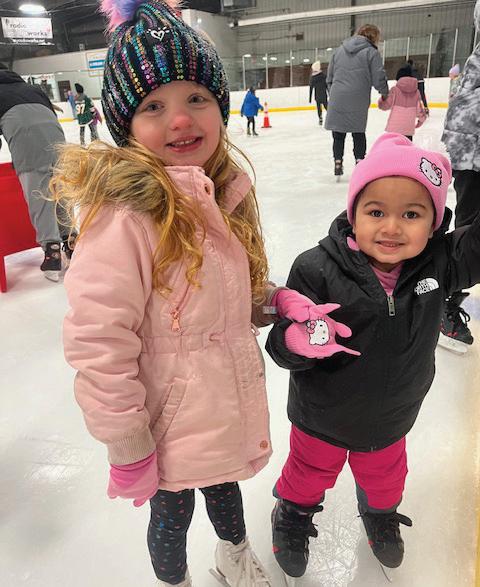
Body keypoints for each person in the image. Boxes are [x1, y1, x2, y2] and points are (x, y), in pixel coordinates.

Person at [53, 1, 280, 585]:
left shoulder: (221, 192)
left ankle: (234, 556)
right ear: (126, 125)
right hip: (165, 420)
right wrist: (127, 440)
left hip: (221, 406)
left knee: (226, 491)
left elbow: (228, 288)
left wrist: (271, 303)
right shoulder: (124, 217)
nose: (180, 120)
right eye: (154, 106)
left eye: (196, 98)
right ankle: (174, 582)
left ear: (220, 108)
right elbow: (99, 338)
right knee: (171, 517)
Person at [266, 133, 480, 580]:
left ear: (435, 224)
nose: (392, 228)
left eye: (412, 214)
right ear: (354, 213)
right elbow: (280, 346)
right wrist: (296, 341)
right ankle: (293, 512)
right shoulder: (315, 267)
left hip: (392, 415)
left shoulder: (439, 264)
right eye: (376, 212)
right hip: (321, 415)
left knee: (385, 480)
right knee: (307, 474)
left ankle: (380, 514)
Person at [0, 63, 74, 281]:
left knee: (40, 198)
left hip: (28, 146)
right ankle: (73, 246)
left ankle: (52, 255)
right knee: (61, 192)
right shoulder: (32, 89)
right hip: (58, 141)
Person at [441, 0, 480, 352]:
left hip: (469, 156)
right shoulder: (476, 64)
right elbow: (463, 113)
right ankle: (444, 304)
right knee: (471, 239)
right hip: (474, 159)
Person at [325, 24, 388, 177]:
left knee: (338, 133)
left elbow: (329, 77)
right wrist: (385, 93)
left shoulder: (339, 50)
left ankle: (338, 161)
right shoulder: (371, 52)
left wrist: (333, 93)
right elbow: (378, 77)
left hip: (338, 96)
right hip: (358, 97)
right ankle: (360, 161)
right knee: (358, 131)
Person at [378, 69, 426, 141]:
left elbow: (385, 106)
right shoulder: (416, 93)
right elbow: (419, 111)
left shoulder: (394, 90)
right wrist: (421, 120)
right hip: (408, 131)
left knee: (392, 147)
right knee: (405, 148)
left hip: (393, 130)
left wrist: (382, 100)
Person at [309, 61, 328, 125]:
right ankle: (331, 117)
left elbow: (311, 88)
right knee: (327, 107)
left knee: (319, 108)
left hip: (317, 96)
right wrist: (329, 93)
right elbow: (327, 85)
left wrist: (310, 98)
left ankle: (320, 118)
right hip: (324, 95)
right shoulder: (324, 76)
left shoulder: (313, 78)